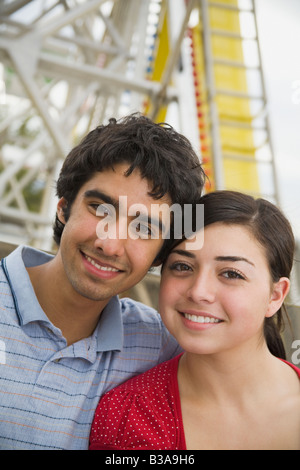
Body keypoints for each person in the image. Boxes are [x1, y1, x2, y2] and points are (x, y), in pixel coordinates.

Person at [0, 113, 205, 450]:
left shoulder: (159, 345)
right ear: (64, 208)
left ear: (159, 255)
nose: (109, 244)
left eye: (143, 229)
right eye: (99, 209)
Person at [89, 190, 300, 450]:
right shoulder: (126, 416)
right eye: (182, 267)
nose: (198, 291)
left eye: (231, 274)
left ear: (275, 296)